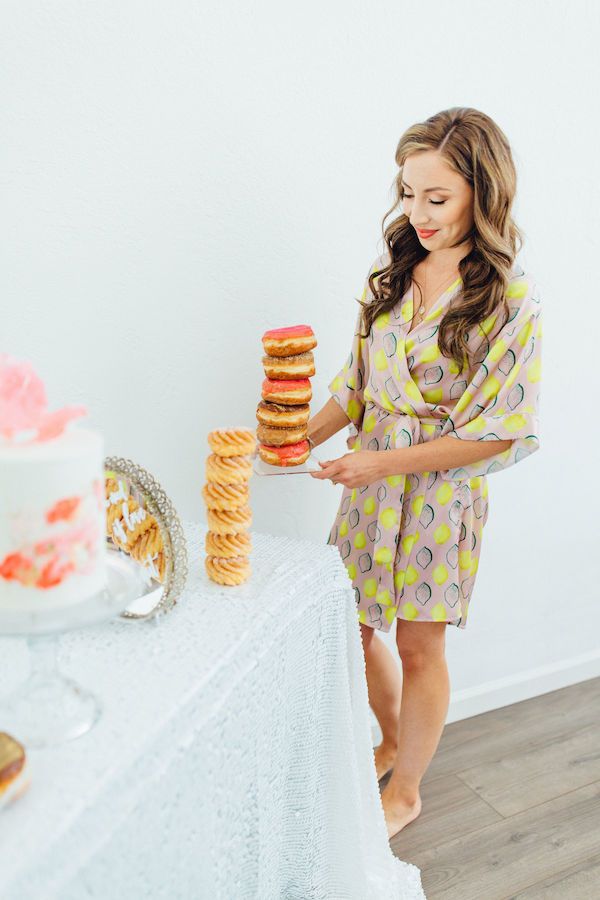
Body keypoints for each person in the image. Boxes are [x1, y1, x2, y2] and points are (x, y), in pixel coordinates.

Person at [306, 107, 543, 841]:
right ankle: (386, 737)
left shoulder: (510, 300)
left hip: (439, 499)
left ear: (482, 191)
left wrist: (380, 460)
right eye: (408, 193)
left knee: (418, 644)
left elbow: (498, 430)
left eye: (436, 198)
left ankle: (405, 788)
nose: (416, 213)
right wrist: (287, 437)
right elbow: (356, 386)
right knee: (347, 624)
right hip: (368, 486)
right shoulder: (393, 275)